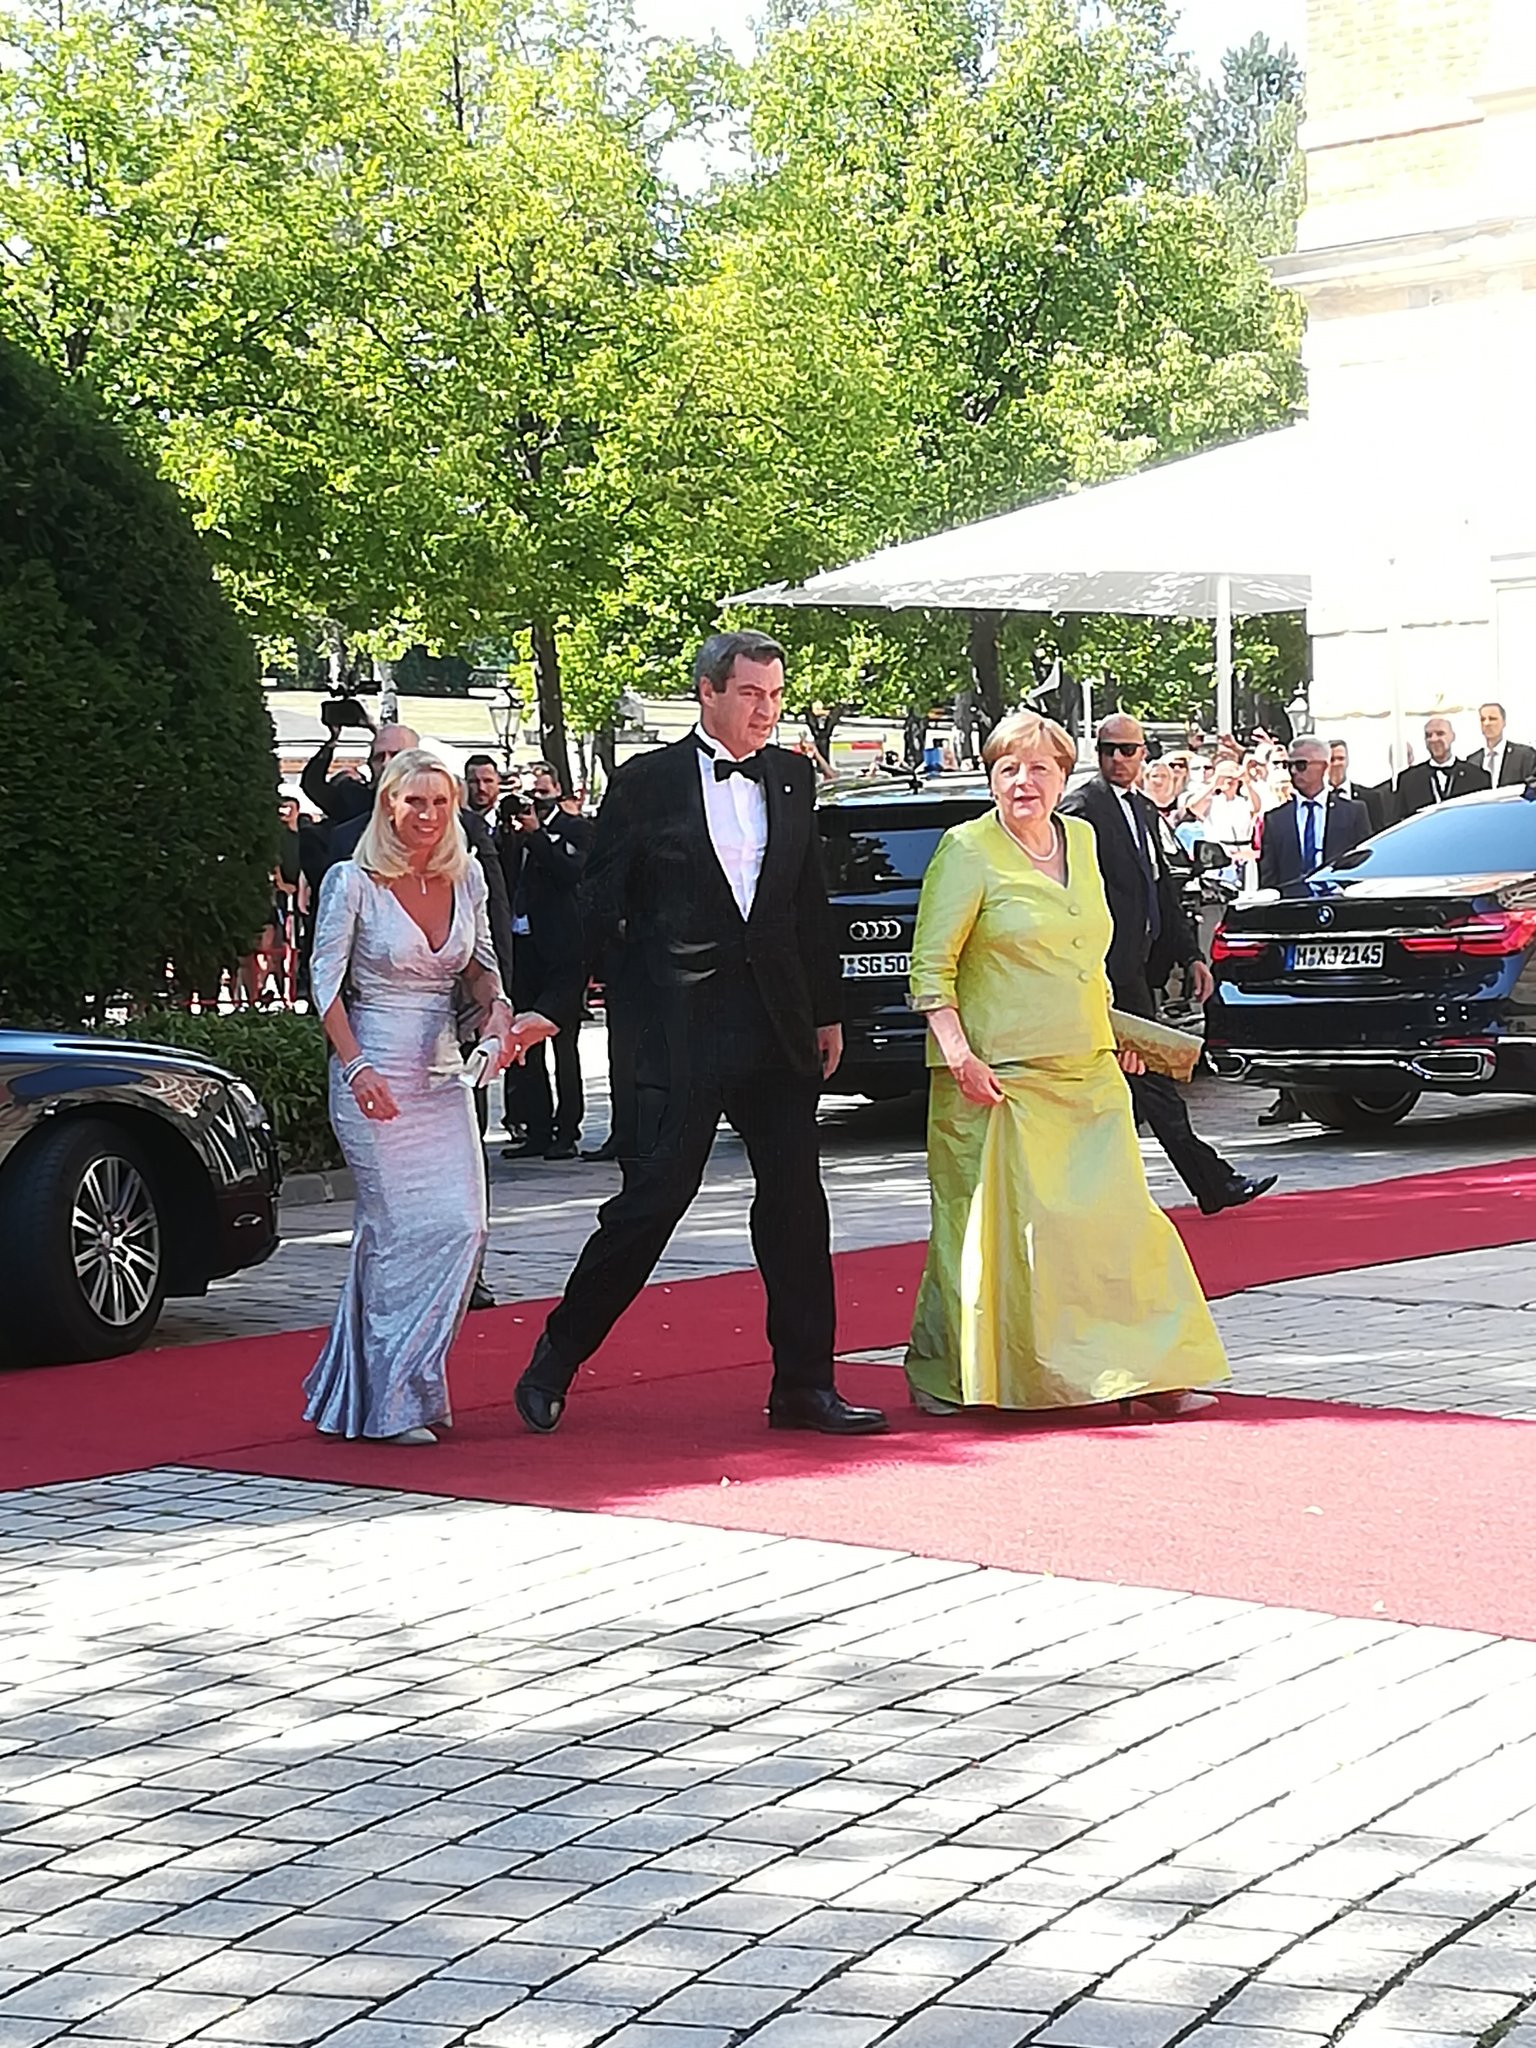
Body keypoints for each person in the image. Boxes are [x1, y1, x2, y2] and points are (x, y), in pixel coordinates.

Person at [513, 629, 887, 1439]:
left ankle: (803, 1386)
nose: (767, 709)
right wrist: (559, 1000)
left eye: (777, 694)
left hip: (777, 1026)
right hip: (681, 1032)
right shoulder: (645, 783)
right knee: (654, 1200)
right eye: (751, 693)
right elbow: (597, 906)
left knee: (796, 1207)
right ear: (708, 694)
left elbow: (805, 906)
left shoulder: (791, 778)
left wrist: (827, 1012)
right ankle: (555, 1357)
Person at [904, 710, 1229, 1420]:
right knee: (991, 1234)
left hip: (1088, 1066)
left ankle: (1148, 1368)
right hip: (997, 1079)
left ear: (1063, 775)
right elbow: (931, 968)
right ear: (991, 777)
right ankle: (950, 1374)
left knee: (1121, 1224)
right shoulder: (966, 849)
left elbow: (1089, 957)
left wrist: (1119, 1035)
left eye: (1040, 768)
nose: (1025, 782)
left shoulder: (1080, 839)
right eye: (1008, 769)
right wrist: (958, 1055)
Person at [303, 751, 553, 1443]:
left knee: (462, 1227)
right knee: (397, 1234)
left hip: (442, 1077)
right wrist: (355, 1066)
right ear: (389, 805)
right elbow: (323, 986)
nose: (428, 815)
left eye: (440, 803)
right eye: (414, 802)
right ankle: (388, 1401)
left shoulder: (465, 873)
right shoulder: (350, 881)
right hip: (373, 1077)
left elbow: (480, 970)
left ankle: (389, 1386)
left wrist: (498, 1013)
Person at [1061, 716, 1275, 1219]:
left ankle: (1207, 1182)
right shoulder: (1081, 810)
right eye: (1108, 749)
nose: (1117, 759)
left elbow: (1161, 889)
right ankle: (1208, 1181)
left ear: (1143, 755)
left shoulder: (1141, 808)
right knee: (1142, 1081)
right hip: (1098, 970)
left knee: (1146, 1081)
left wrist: (1191, 956)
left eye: (1127, 750)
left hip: (1136, 967)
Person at [1253, 736, 1373, 1125]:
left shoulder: (1351, 813)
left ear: (1323, 766)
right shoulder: (1276, 819)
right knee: (1290, 1006)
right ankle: (1288, 1094)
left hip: (1342, 920)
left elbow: (1363, 867)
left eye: (1301, 765)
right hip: (1294, 924)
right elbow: (1269, 876)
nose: (1294, 773)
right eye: (1289, 766)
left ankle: (1341, 1086)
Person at [501, 784, 592, 1160]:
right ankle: (536, 1127)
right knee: (526, 1042)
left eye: (539, 793)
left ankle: (567, 1129)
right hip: (522, 949)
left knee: (563, 1044)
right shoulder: (509, 832)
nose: (531, 802)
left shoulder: (575, 828)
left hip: (561, 951)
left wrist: (537, 836)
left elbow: (571, 872)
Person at [1393, 718, 1489, 818]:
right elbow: (1400, 821)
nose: (1433, 739)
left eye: (1440, 733)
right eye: (1428, 735)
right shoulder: (1408, 780)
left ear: (1453, 736)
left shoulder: (1478, 777)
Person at [1328, 740, 1390, 833]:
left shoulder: (1371, 798)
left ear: (1347, 761)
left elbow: (1378, 834)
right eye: (1331, 759)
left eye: (1340, 758)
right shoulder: (1317, 799)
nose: (1336, 764)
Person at [1468, 703, 1536, 789]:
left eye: (1492, 719)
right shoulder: (1473, 761)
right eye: (1483, 719)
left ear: (1504, 722)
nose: (1487, 723)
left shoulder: (1525, 756)